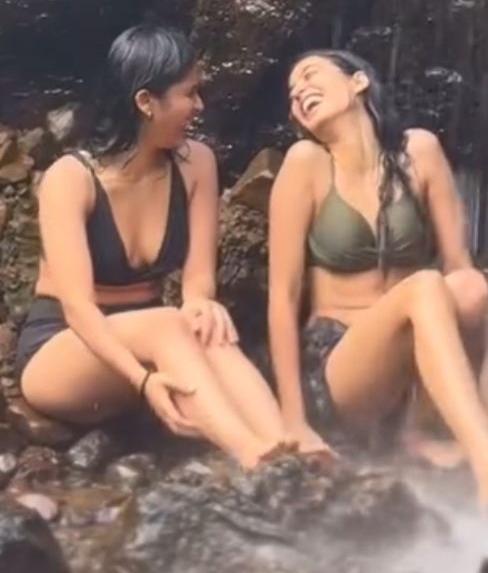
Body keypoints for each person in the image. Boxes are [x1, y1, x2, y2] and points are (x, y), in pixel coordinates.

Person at [267, 49, 488, 506]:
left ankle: (424, 431)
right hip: (342, 364)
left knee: (468, 286)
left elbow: (459, 265)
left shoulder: (421, 151)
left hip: (414, 367)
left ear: (358, 82)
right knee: (425, 286)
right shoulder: (305, 162)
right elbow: (283, 295)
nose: (299, 92)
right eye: (292, 93)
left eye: (310, 75)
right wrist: (294, 420)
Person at [17, 25, 291, 468]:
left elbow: (198, 278)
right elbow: (78, 309)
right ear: (146, 102)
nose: (199, 106)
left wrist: (200, 303)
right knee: (168, 323)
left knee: (205, 324)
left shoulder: (197, 164)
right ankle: (251, 455)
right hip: (67, 352)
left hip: (158, 349)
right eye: (190, 93)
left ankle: (285, 446)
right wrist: (144, 382)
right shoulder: (70, 179)